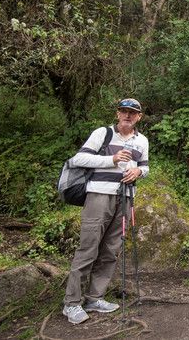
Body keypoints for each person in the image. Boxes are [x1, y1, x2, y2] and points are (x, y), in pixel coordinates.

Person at [62, 98, 149, 325]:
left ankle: (94, 297)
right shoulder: (103, 133)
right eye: (123, 111)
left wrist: (138, 173)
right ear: (117, 113)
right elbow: (79, 158)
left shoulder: (142, 140)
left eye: (132, 113)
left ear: (139, 116)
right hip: (98, 195)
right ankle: (72, 303)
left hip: (126, 197)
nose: (127, 116)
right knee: (88, 247)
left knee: (111, 250)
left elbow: (145, 166)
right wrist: (111, 159)